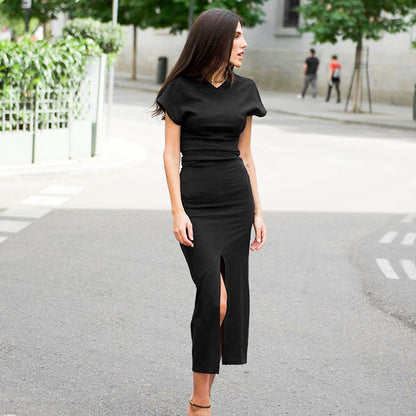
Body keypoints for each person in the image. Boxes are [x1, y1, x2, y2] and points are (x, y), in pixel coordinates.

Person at [153, 8, 267, 416]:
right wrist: (176, 210)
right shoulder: (180, 89)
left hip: (236, 204)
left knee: (228, 303)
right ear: (216, 39)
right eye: (237, 36)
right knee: (213, 298)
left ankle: (200, 400)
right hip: (196, 204)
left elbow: (246, 155)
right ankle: (199, 403)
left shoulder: (246, 89)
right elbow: (169, 156)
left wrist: (257, 211)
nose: (244, 43)